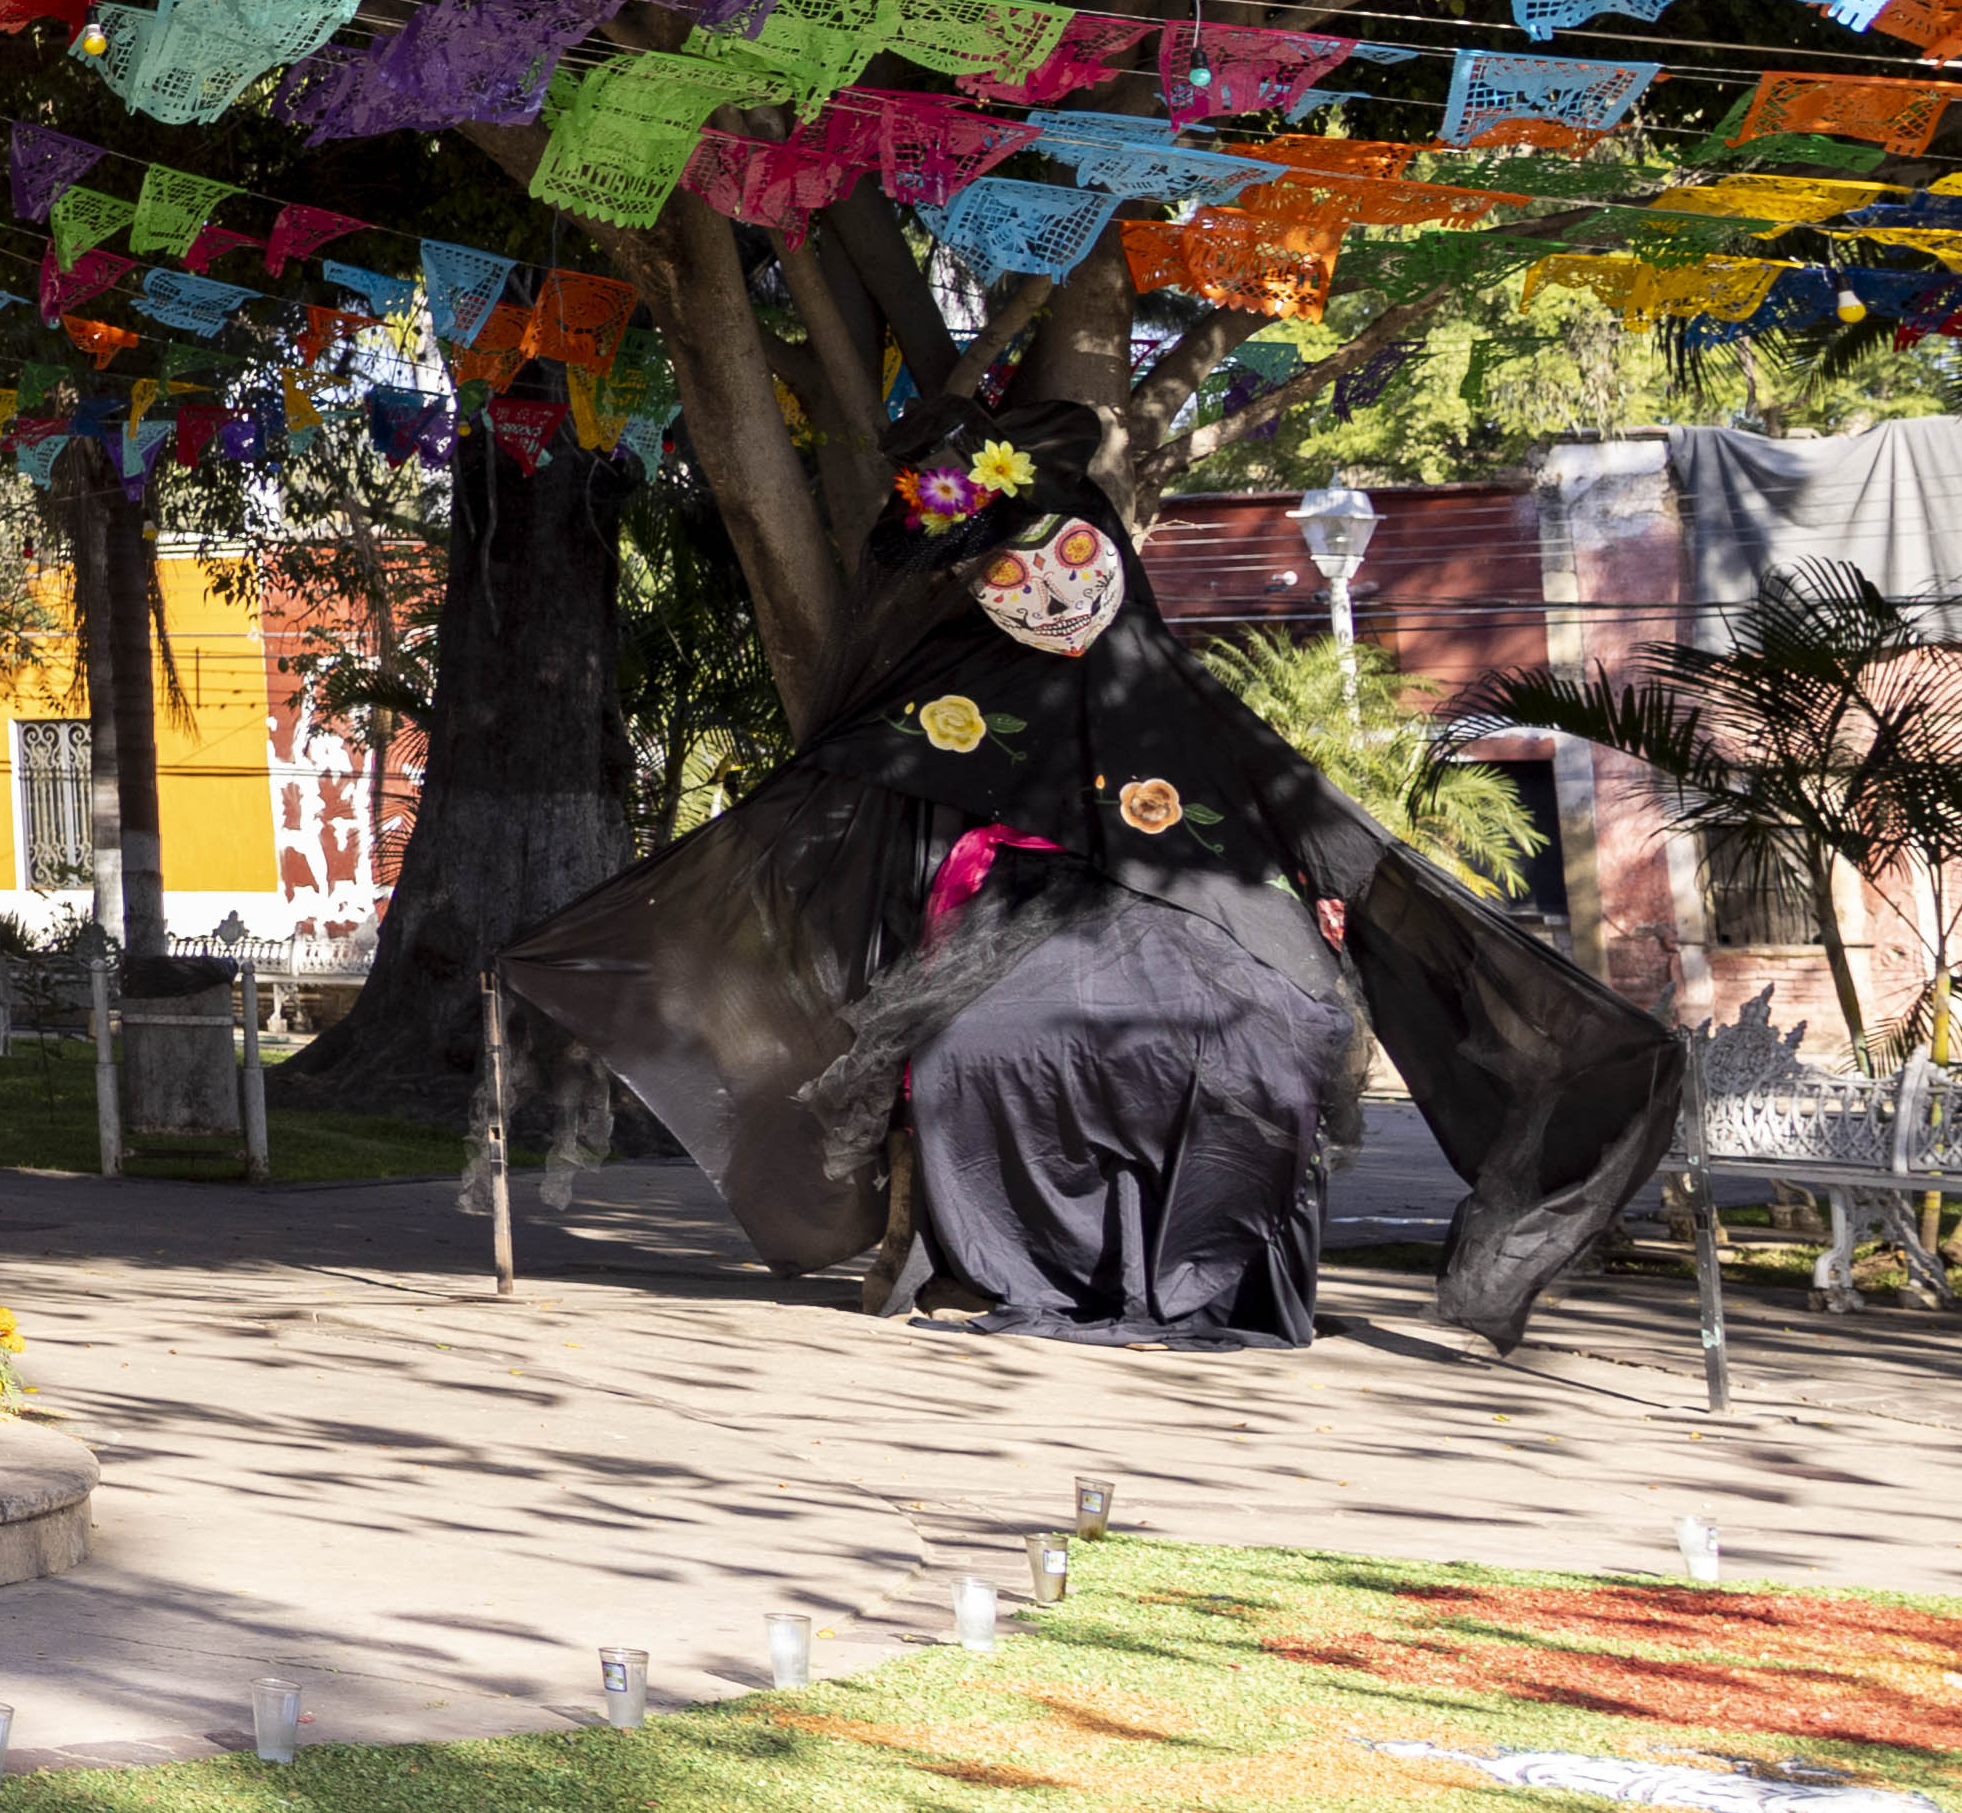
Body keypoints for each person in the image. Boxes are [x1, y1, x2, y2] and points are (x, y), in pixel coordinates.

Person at [502, 399, 1677, 1347]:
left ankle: (1207, 1276)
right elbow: (801, 801)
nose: (1054, 593)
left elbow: (1324, 832)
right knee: (975, 1050)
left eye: (1067, 555)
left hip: (1205, 927)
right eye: (1009, 578)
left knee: (1258, 1042)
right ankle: (1010, 1267)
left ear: (1106, 541)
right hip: (1012, 932)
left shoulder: (1180, 700)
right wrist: (578, 941)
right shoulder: (953, 707)